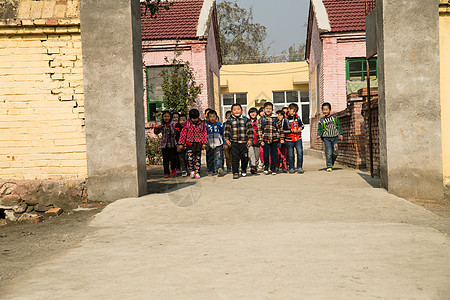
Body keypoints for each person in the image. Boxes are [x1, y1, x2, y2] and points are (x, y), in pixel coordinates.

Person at [224, 103, 253, 179]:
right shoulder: (229, 120)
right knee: (235, 158)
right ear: (231, 111)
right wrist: (226, 140)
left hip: (244, 143)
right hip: (234, 143)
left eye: (238, 109)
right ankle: (235, 172)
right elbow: (226, 131)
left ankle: (243, 169)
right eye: (234, 110)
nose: (236, 111)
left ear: (242, 110)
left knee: (245, 158)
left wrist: (250, 140)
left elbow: (250, 131)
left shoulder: (246, 120)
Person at [178, 109, 208, 178]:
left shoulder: (201, 124)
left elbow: (204, 133)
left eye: (196, 118)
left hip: (198, 144)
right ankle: (192, 171)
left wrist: (204, 143)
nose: (195, 120)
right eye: (193, 118)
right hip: (189, 144)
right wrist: (181, 143)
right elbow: (183, 134)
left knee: (197, 158)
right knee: (190, 159)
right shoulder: (187, 124)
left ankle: (197, 171)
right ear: (190, 118)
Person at [258, 102, 284, 175]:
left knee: (274, 155)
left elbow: (280, 128)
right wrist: (260, 140)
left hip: (274, 139)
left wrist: (281, 138)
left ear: (272, 110)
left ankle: (273, 168)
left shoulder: (275, 118)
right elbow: (259, 130)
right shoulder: (261, 119)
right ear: (264, 109)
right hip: (265, 139)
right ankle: (266, 167)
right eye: (267, 108)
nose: (268, 110)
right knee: (265, 154)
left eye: (270, 109)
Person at [317, 102, 343, 172]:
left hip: (334, 138)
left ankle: (332, 162)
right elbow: (320, 128)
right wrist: (319, 134)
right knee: (328, 152)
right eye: (323, 110)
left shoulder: (334, 118)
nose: (325, 111)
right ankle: (329, 166)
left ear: (330, 110)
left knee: (335, 152)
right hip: (326, 138)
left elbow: (339, 126)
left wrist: (341, 134)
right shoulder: (322, 120)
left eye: (326, 109)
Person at [282, 103, 305, 174]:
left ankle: (299, 167)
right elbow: (283, 130)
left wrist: (300, 128)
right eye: (293, 111)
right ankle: (291, 167)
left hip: (298, 138)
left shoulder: (298, 117)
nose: (294, 113)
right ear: (289, 110)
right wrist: (292, 130)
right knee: (291, 154)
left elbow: (302, 125)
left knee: (300, 152)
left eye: (295, 111)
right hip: (289, 140)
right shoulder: (285, 119)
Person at [154, 111, 177, 178]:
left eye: (168, 116)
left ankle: (173, 169)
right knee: (165, 159)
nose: (166, 118)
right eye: (165, 116)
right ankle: (166, 172)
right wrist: (157, 128)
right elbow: (156, 132)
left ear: (170, 117)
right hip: (164, 144)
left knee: (173, 158)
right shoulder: (162, 125)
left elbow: (174, 132)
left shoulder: (173, 124)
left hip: (172, 144)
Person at [205, 110, 225, 177]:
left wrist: (224, 143)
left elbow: (223, 134)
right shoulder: (206, 126)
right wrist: (205, 144)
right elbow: (204, 135)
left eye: (214, 116)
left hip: (218, 144)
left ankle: (219, 169)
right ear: (207, 118)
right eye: (210, 117)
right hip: (209, 145)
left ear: (216, 117)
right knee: (209, 158)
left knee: (218, 157)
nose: (212, 118)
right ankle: (210, 170)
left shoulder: (220, 125)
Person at [247, 107, 261, 174]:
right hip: (249, 140)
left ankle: (256, 166)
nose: (253, 114)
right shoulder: (247, 121)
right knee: (251, 154)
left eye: (254, 112)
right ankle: (252, 167)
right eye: (251, 112)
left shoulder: (259, 121)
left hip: (257, 141)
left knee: (257, 155)